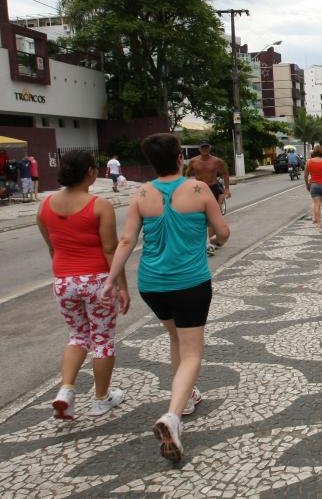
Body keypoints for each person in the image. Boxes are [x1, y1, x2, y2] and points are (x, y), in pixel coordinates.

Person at [102, 132, 229, 463]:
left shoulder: (141, 194)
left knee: (175, 338)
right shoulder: (198, 190)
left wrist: (111, 279)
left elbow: (126, 241)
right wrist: (213, 241)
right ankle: (172, 416)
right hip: (190, 283)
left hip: (152, 284)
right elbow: (223, 232)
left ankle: (185, 398)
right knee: (192, 352)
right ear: (180, 158)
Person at [36, 150, 130, 420]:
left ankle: (66, 390)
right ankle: (101, 399)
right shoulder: (99, 205)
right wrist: (122, 286)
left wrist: (65, 275)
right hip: (97, 281)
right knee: (102, 340)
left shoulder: (44, 206)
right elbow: (111, 249)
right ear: (90, 172)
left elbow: (52, 248)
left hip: (64, 282)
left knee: (77, 336)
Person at [186, 141, 231, 255]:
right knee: (199, 216)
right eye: (203, 147)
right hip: (199, 190)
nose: (205, 149)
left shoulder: (217, 161)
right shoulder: (193, 161)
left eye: (207, 147)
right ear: (199, 149)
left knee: (212, 216)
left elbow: (225, 174)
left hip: (213, 188)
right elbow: (187, 174)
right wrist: (187, 186)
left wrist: (227, 189)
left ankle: (211, 243)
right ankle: (202, 241)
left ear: (210, 148)